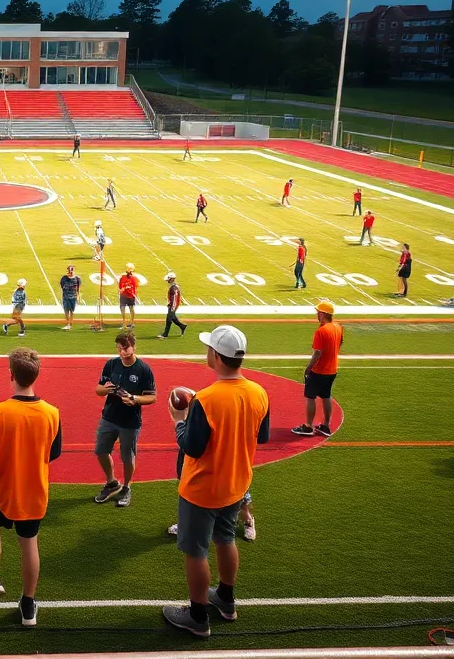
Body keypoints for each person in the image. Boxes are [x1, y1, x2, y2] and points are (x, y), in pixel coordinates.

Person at [163, 325, 270, 637]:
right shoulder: (259, 392)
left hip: (202, 489)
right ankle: (225, 598)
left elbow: (192, 446)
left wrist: (178, 422)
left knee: (196, 552)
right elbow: (262, 436)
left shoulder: (206, 399)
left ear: (217, 356)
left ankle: (197, 617)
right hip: (236, 484)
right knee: (226, 540)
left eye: (209, 348)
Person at [0, 347, 62, 628]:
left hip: (2, 488)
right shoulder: (52, 413)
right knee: (29, 543)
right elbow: (54, 452)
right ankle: (28, 605)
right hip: (34, 490)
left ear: (11, 375)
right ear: (36, 376)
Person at [94, 332, 156, 508]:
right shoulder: (111, 364)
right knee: (101, 451)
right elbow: (98, 390)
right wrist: (108, 389)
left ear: (134, 347)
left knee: (127, 457)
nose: (122, 352)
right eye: (119, 349)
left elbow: (152, 397)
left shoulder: (144, 370)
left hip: (130, 422)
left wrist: (134, 399)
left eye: (126, 348)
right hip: (109, 416)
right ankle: (111, 482)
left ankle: (127, 487)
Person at [292, 301, 342, 437]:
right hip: (332, 369)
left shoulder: (321, 331)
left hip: (319, 370)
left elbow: (317, 353)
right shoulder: (338, 327)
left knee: (310, 396)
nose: (317, 315)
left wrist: (309, 368)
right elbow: (339, 343)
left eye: (319, 312)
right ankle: (326, 425)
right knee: (326, 395)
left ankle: (308, 426)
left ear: (323, 314)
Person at [159, 272, 187, 338]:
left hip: (173, 305)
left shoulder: (173, 288)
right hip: (172, 304)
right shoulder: (174, 286)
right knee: (173, 318)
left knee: (169, 319)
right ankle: (182, 326)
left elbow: (174, 298)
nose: (167, 281)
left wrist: (172, 307)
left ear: (171, 279)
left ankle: (165, 334)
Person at [59, 265, 81, 331]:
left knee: (71, 311)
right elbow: (62, 287)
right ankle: (68, 324)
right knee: (66, 311)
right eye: (69, 270)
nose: (70, 271)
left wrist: (78, 296)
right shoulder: (64, 278)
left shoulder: (77, 278)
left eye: (72, 270)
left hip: (73, 297)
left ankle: (70, 324)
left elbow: (78, 289)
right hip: (65, 297)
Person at [118, 263, 138, 330]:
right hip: (130, 295)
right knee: (131, 309)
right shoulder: (134, 278)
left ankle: (125, 323)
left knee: (123, 308)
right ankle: (131, 323)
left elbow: (120, 286)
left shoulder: (123, 277)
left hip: (125, 295)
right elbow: (136, 287)